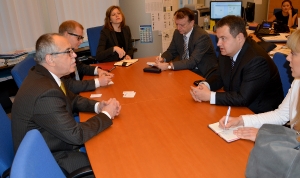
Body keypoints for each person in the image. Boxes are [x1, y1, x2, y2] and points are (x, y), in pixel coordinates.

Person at [11, 33, 121, 174]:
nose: (75, 55)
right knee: (111, 165)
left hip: (53, 140)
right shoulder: (45, 93)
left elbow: (72, 99)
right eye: (68, 52)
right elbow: (76, 135)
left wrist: (98, 106)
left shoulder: (46, 75)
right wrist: (107, 114)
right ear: (50, 59)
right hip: (49, 158)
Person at [190, 15, 283, 114]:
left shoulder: (256, 60)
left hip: (258, 112)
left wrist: (209, 96)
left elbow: (243, 98)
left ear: (239, 37)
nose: (218, 44)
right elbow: (220, 76)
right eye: (218, 38)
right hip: (237, 105)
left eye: (223, 38)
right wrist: (205, 86)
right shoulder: (227, 50)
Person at [218, 29, 300, 142]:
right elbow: (281, 115)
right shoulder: (297, 81)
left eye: (293, 54)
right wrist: (241, 120)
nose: (288, 58)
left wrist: (265, 136)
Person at [154, 7, 218, 77]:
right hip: (186, 69)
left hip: (202, 72)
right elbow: (171, 51)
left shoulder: (202, 37)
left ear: (192, 23)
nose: (178, 28)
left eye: (182, 25)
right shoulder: (177, 33)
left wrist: (169, 66)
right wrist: (163, 59)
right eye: (177, 24)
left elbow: (192, 61)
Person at [59, 20, 113, 94]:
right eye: (78, 37)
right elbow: (70, 85)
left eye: (81, 38)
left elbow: (80, 67)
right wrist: (98, 82)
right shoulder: (59, 56)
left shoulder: (70, 51)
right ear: (66, 35)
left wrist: (98, 71)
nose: (81, 41)